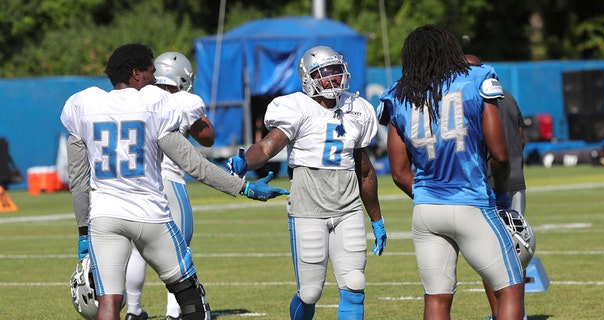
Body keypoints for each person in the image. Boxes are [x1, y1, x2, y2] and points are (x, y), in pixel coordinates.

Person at [61, 43, 289, 320]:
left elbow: (78, 179)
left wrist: (84, 230)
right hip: (150, 214)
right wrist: (245, 187)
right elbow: (194, 164)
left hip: (104, 216)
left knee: (108, 302)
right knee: (189, 296)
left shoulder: (85, 105)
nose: (155, 79)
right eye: (150, 72)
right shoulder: (155, 104)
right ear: (136, 74)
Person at [227, 45, 387, 320]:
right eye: (325, 74)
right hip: (307, 210)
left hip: (348, 210)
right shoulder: (296, 106)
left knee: (354, 283)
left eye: (337, 72)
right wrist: (245, 161)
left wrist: (377, 219)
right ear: (308, 78)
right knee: (310, 292)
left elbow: (365, 171)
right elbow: (266, 147)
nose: (334, 79)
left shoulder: (357, 108)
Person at [377, 25, 524, 319]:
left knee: (437, 298)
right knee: (510, 288)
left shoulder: (397, 94)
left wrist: (428, 195)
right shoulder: (477, 79)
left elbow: (399, 172)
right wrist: (499, 196)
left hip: (426, 210)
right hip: (471, 202)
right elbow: (500, 154)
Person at [124, 51, 214, 320]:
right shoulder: (185, 100)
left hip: (139, 183)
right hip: (170, 181)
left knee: (139, 250)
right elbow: (207, 137)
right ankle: (174, 313)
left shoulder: (135, 99)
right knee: (178, 250)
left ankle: (134, 310)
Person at [465, 54, 530, 320]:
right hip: (517, 180)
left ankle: (499, 313)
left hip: (491, 183)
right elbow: (521, 137)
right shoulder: (509, 96)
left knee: (491, 254)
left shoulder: (474, 98)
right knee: (517, 249)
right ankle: (517, 312)